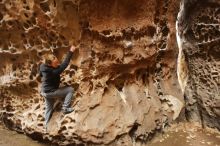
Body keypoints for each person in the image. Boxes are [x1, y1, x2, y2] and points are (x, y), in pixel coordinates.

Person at [39, 45, 76, 128]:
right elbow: (64, 64)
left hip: (44, 91)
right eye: (55, 62)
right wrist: (71, 51)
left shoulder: (42, 66)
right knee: (70, 89)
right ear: (50, 64)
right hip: (50, 92)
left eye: (55, 59)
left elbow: (40, 74)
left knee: (49, 108)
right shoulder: (54, 72)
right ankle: (65, 108)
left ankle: (46, 126)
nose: (57, 62)